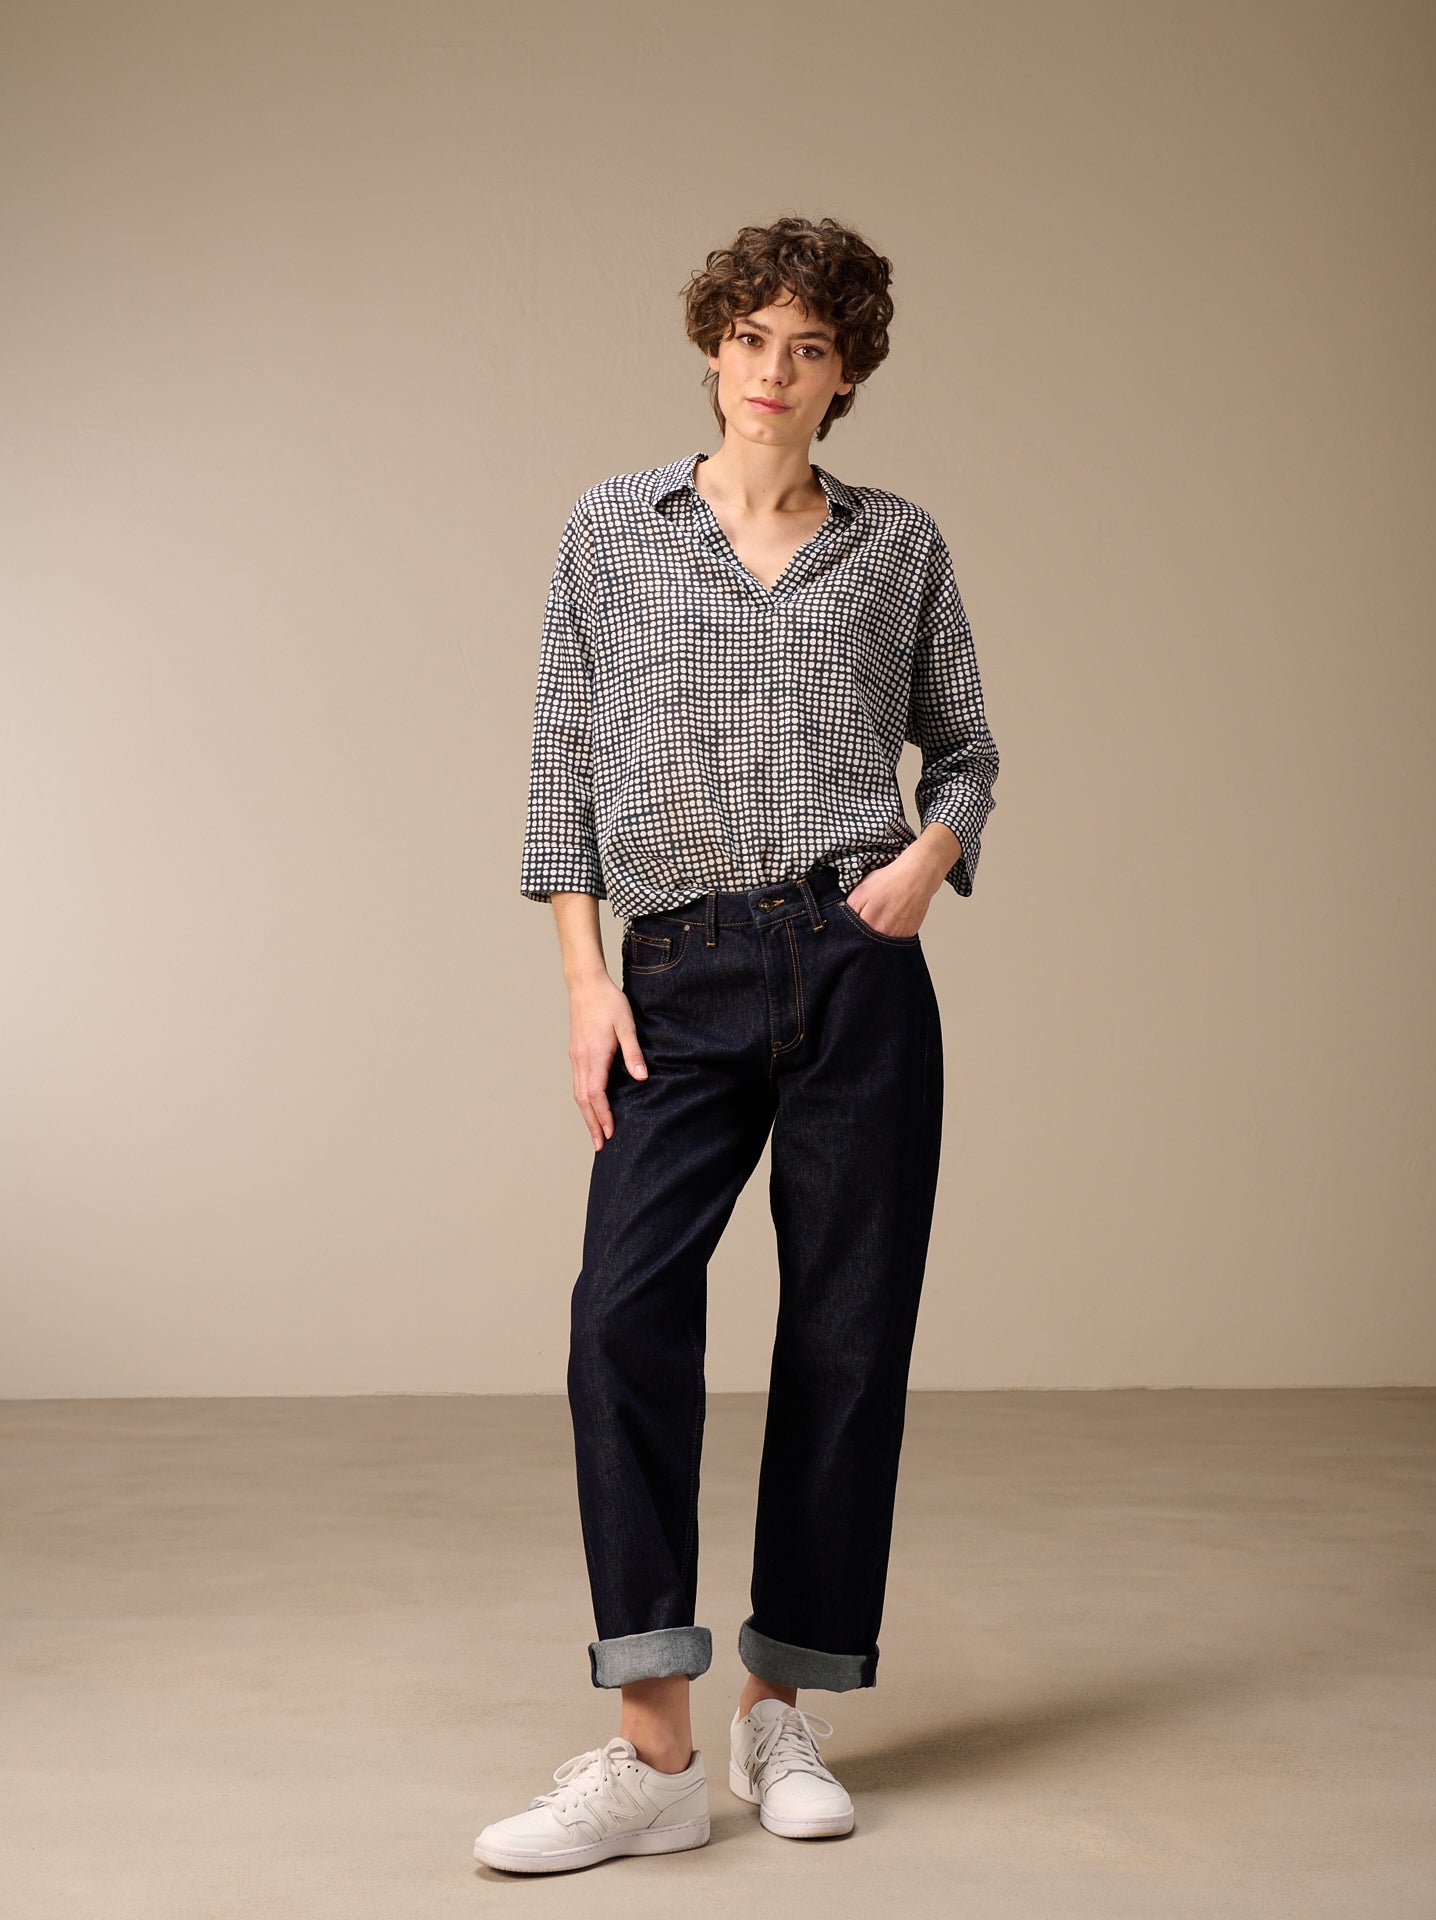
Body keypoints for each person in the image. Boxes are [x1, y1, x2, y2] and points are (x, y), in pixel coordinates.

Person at [474, 214, 999, 1875]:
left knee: (847, 1336)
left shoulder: (897, 547)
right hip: (676, 974)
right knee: (620, 1315)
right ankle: (651, 1755)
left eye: (811, 347)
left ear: (846, 376)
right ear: (715, 346)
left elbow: (969, 752)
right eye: (754, 337)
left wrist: (924, 863)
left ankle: (785, 1710)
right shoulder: (611, 533)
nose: (775, 370)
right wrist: (586, 982)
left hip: (854, 968)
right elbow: (558, 766)